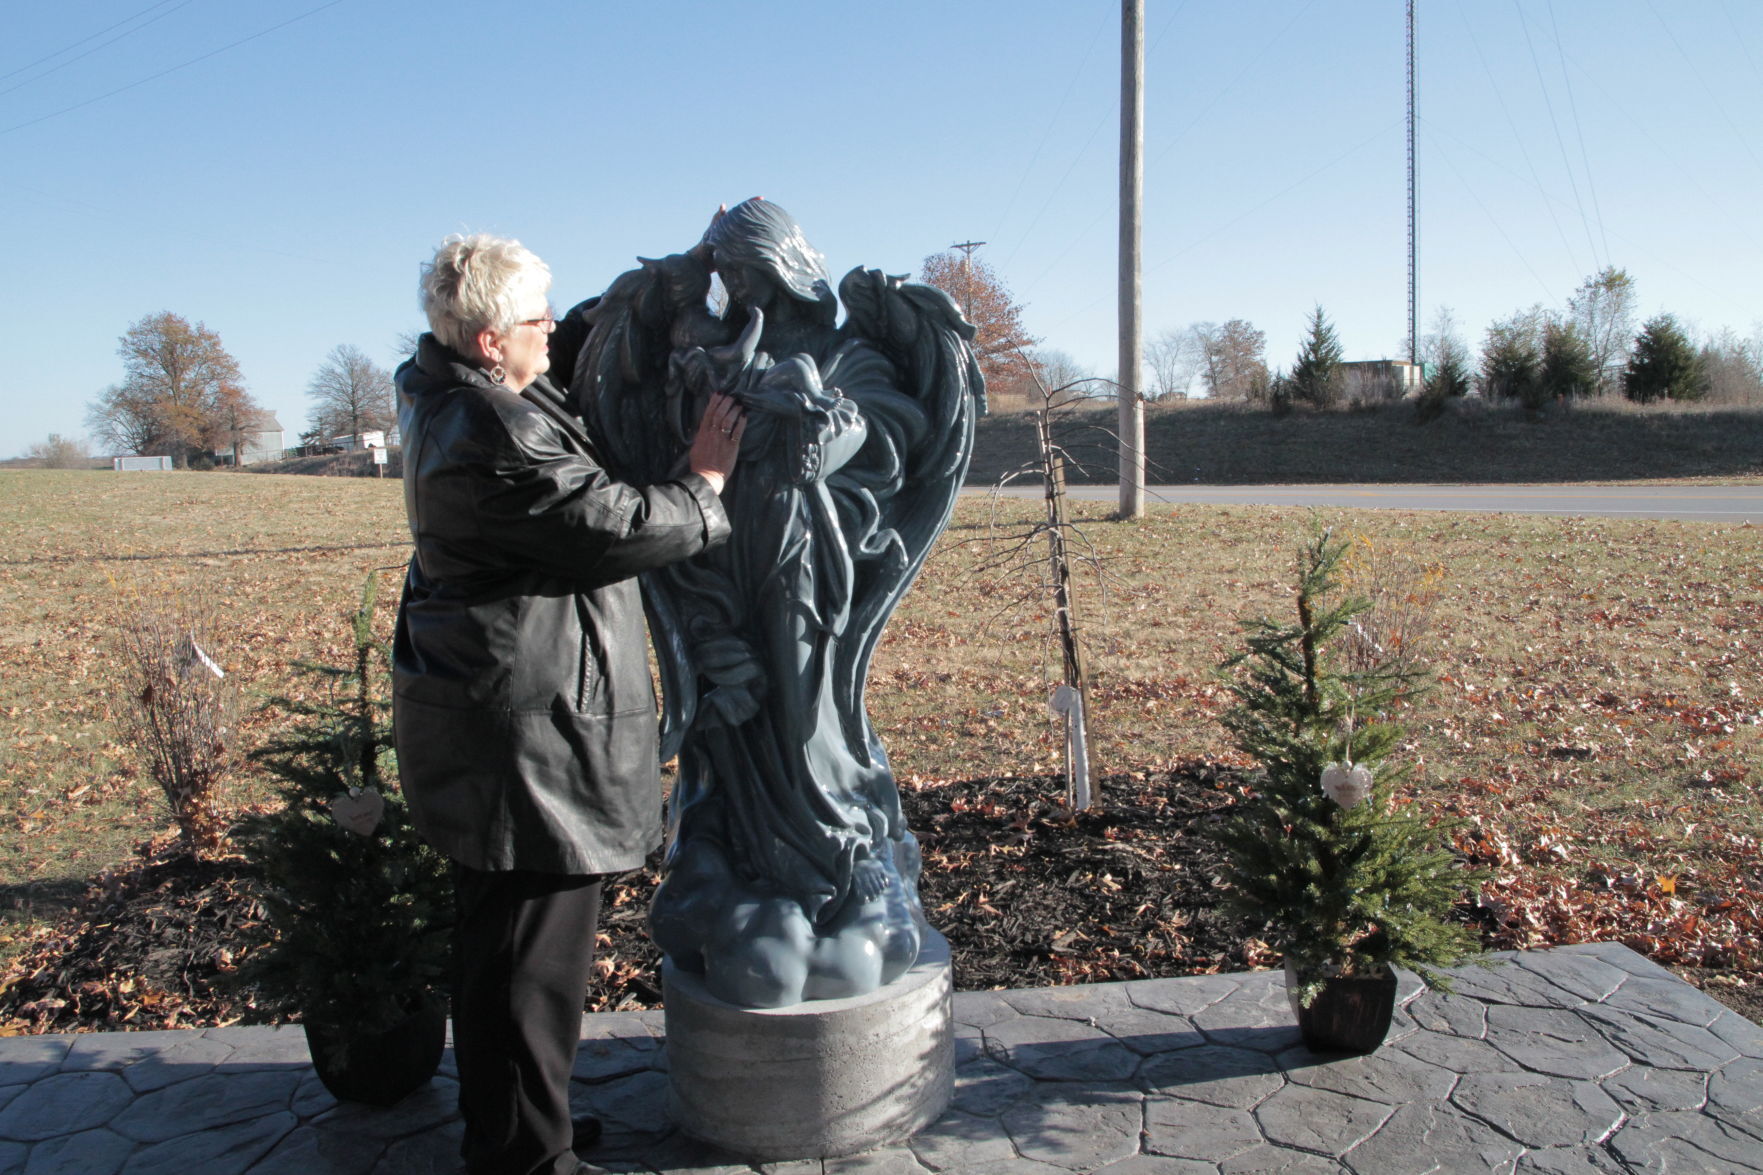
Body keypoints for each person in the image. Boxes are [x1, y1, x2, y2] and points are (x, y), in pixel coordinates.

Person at [391, 232, 745, 1175]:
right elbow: (611, 524)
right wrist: (704, 484)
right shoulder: (490, 431)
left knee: (505, 948)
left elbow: (572, 350)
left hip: (498, 715)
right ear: (487, 341)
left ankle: (516, 1125)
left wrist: (664, 279)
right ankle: (523, 1157)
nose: (553, 333)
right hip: (525, 734)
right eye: (535, 322)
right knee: (527, 962)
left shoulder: (461, 391)